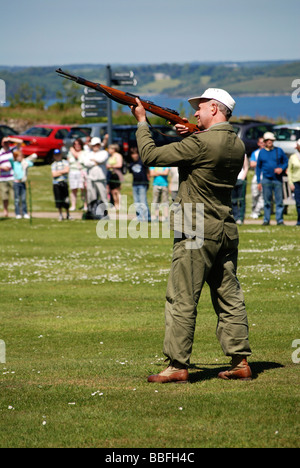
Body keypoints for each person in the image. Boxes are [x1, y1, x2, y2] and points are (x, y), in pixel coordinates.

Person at [131, 87, 252, 383]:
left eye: (200, 108)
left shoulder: (200, 142)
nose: (195, 112)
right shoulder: (237, 144)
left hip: (195, 228)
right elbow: (207, 156)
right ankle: (240, 361)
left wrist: (141, 121)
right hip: (224, 226)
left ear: (214, 107)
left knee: (182, 298)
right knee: (229, 296)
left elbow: (149, 155)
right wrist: (190, 135)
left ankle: (176, 365)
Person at [256, 132, 288, 226]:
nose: (269, 141)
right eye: (267, 140)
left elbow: (286, 161)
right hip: (266, 179)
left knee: (279, 201)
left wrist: (281, 168)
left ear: (273, 141)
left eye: (271, 140)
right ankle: (266, 220)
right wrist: (259, 181)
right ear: (265, 142)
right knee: (267, 201)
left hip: (277, 179)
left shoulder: (279, 151)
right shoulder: (262, 152)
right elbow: (258, 167)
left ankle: (279, 220)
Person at [84, 137, 109, 212]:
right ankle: (92, 211)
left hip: (100, 178)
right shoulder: (89, 154)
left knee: (103, 196)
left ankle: (104, 212)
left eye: (97, 145)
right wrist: (95, 162)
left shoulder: (104, 153)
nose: (96, 147)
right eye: (94, 145)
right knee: (91, 196)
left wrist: (93, 160)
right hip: (91, 178)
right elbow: (86, 163)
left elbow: (101, 159)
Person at [0, 137, 23, 217]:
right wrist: (2, 167)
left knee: (16, 195)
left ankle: (18, 211)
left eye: (7, 142)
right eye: (4, 142)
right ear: (1, 143)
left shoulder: (12, 151)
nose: (6, 144)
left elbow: (20, 142)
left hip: (12, 177)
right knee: (4, 196)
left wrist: (10, 139)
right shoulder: (0, 152)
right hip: (2, 177)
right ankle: (5, 211)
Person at [12, 150, 37, 219]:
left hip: (22, 183)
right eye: (19, 156)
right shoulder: (14, 163)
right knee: (17, 199)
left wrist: (25, 160)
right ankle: (17, 213)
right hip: (16, 183)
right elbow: (10, 159)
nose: (20, 157)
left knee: (23, 199)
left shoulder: (24, 162)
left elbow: (31, 163)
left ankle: (24, 213)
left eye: (21, 156)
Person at [129, 147, 150, 222]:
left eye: (136, 153)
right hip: (135, 185)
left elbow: (148, 171)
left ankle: (147, 217)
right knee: (136, 202)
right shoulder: (131, 164)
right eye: (133, 154)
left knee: (143, 201)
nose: (134, 155)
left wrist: (148, 181)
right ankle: (139, 218)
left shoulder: (142, 162)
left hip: (142, 184)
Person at [67, 138, 87, 211]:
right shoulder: (70, 152)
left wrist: (73, 151)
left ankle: (85, 205)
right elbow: (69, 161)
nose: (77, 145)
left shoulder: (84, 152)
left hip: (81, 172)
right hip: (73, 171)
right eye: (75, 144)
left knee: (83, 189)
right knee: (73, 190)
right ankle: (73, 206)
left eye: (78, 144)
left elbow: (77, 157)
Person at [51, 149, 71, 221]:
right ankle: (60, 215)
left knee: (66, 199)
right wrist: (62, 172)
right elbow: (53, 174)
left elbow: (67, 170)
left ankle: (68, 214)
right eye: (56, 155)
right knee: (58, 200)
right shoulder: (53, 164)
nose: (57, 156)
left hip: (64, 183)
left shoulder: (65, 162)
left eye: (58, 155)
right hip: (56, 184)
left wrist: (58, 172)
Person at [249, 137, 265, 219]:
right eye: (261, 142)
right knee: (255, 194)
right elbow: (252, 164)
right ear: (258, 143)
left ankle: (257, 212)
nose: (263, 144)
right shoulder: (255, 153)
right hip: (256, 176)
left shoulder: (267, 152)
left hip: (265, 177)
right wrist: (262, 163)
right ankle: (253, 210)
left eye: (264, 142)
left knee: (263, 196)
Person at [231, 154, 249, 225]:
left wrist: (242, 178)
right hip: (233, 180)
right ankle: (235, 217)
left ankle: (241, 218)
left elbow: (246, 167)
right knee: (233, 201)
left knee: (241, 200)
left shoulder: (243, 154)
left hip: (241, 179)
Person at [106, 143, 124, 211]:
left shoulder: (118, 155)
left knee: (116, 190)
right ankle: (115, 204)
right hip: (110, 174)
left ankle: (119, 204)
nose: (109, 150)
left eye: (110, 148)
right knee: (112, 191)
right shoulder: (110, 156)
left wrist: (110, 166)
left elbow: (119, 164)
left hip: (116, 174)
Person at [287, 139, 300, 226]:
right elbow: (289, 171)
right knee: (298, 203)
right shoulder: (293, 157)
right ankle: (299, 220)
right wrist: (290, 183)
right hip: (297, 182)